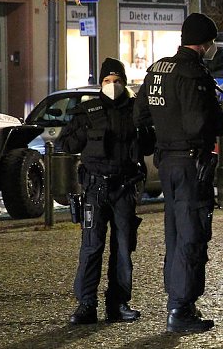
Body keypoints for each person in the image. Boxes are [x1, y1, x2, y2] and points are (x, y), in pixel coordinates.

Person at [133, 12, 223, 334]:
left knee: (174, 234)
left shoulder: (158, 70)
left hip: (166, 162)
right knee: (192, 234)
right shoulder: (193, 74)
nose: (212, 47)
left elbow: (140, 114)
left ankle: (177, 299)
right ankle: (181, 308)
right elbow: (199, 122)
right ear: (203, 44)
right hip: (190, 164)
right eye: (211, 42)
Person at [61, 58, 154, 325]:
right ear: (100, 83)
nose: (112, 85)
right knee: (91, 247)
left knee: (123, 247)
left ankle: (119, 303)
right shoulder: (87, 111)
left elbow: (148, 145)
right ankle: (86, 304)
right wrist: (89, 133)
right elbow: (65, 143)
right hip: (94, 188)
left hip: (125, 187)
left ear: (124, 82)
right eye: (107, 81)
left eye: (116, 80)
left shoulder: (137, 110)